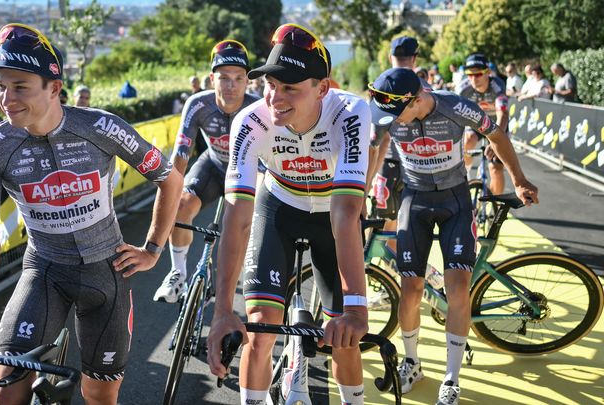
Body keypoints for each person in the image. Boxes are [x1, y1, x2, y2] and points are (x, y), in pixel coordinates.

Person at [0, 23, 183, 404]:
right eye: (0, 86)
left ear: (55, 88)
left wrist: (153, 250)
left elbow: (170, 179)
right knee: (6, 395)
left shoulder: (100, 127)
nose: (5, 99)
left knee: (98, 396)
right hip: (44, 270)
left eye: (20, 87)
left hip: (106, 273)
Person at [207, 23, 371, 405]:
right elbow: (237, 216)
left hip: (332, 214)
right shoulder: (250, 122)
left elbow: (347, 213)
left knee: (343, 337)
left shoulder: (350, 113)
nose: (275, 98)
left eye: (290, 88)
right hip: (278, 206)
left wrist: (357, 309)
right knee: (261, 330)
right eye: (270, 85)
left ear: (323, 88)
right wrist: (221, 310)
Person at [368, 67, 538, 405]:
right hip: (414, 200)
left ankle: (451, 377)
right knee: (410, 288)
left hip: (455, 201)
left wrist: (518, 179)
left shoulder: (455, 107)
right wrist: (360, 191)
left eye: (395, 113)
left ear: (416, 100)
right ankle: (412, 362)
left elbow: (497, 135)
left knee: (458, 286)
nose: (391, 120)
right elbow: (378, 143)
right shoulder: (391, 113)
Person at [153, 39, 258, 303]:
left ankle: (230, 282)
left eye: (238, 78)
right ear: (212, 79)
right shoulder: (198, 104)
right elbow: (180, 155)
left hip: (246, 173)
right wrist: (171, 195)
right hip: (212, 165)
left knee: (236, 228)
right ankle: (178, 273)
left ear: (247, 81)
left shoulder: (258, 108)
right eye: (224, 78)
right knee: (182, 205)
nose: (231, 86)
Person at [366, 35, 430, 254]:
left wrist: (365, 186)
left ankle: (392, 279)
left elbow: (377, 141)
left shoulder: (381, 87)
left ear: (389, 56)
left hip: (390, 164)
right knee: (412, 232)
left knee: (381, 232)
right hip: (423, 169)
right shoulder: (427, 88)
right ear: (415, 58)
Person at [456, 53, 509, 195]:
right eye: (469, 74)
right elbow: (454, 115)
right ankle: (465, 174)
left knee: (495, 168)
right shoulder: (463, 88)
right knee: (467, 140)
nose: (473, 78)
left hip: (496, 124)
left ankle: (495, 204)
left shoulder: (497, 86)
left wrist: (495, 140)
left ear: (488, 72)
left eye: (478, 74)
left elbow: (503, 114)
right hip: (476, 123)